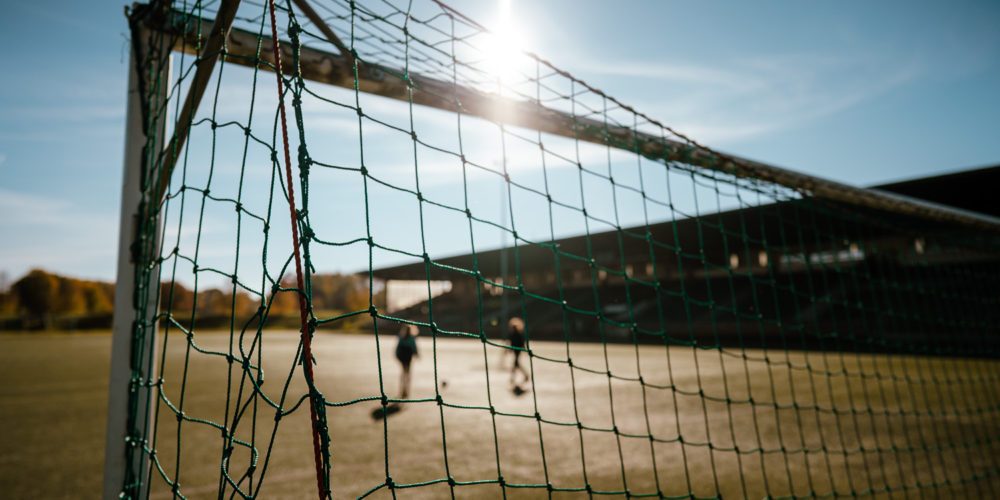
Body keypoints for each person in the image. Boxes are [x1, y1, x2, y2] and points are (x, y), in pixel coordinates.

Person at [395, 324, 419, 399]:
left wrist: (397, 355)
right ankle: (405, 390)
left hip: (403, 357)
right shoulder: (411, 338)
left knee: (404, 373)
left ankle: (404, 390)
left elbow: (397, 348)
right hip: (406, 357)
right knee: (407, 373)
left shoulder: (401, 337)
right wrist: (417, 354)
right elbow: (414, 348)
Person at [507, 317, 529, 387]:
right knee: (516, 364)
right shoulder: (513, 334)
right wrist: (510, 349)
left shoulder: (517, 334)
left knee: (516, 364)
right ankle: (514, 377)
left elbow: (521, 342)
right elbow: (511, 342)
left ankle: (524, 376)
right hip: (516, 350)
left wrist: (523, 348)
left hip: (517, 350)